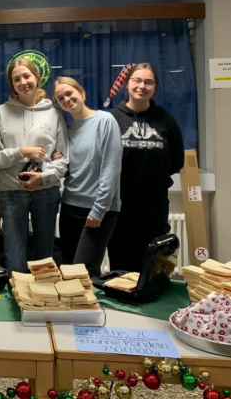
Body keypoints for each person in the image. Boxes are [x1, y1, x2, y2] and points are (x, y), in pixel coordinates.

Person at [0, 58, 68, 274]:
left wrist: (44, 177)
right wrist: (22, 152)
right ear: (12, 85)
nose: (23, 82)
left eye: (27, 76)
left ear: (37, 78)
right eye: (16, 79)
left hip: (46, 192)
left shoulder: (54, 114)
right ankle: (17, 295)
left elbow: (63, 159)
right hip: (12, 194)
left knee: (44, 261)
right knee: (14, 261)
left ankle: (41, 296)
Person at [108, 62, 185, 272]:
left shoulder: (166, 120)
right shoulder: (112, 118)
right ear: (127, 84)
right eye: (137, 80)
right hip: (120, 208)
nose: (142, 86)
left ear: (155, 87)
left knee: (153, 269)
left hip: (154, 208)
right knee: (122, 271)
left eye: (148, 82)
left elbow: (177, 161)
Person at [53, 76, 122, 278]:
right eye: (60, 98)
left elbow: (111, 166)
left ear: (81, 93)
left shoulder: (105, 120)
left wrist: (99, 209)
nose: (66, 99)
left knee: (85, 272)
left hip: (98, 209)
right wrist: (57, 160)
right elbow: (71, 169)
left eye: (69, 93)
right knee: (68, 270)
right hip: (70, 207)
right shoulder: (66, 130)